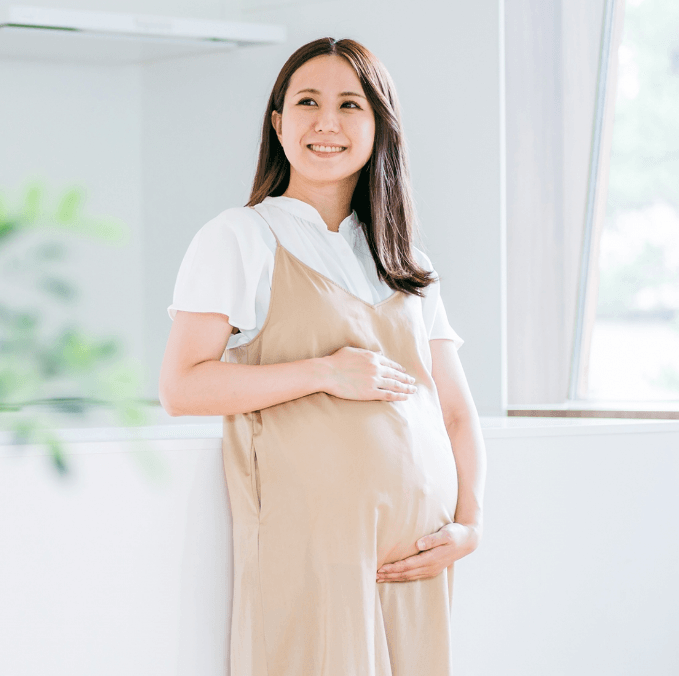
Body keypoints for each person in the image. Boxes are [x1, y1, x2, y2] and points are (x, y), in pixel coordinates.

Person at [159, 37, 487, 676]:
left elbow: (454, 412)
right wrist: (324, 373)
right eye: (307, 102)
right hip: (310, 554)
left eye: (350, 104)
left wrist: (469, 526)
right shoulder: (240, 236)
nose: (327, 122)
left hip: (417, 556)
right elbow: (182, 386)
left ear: (379, 127)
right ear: (279, 124)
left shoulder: (406, 260)